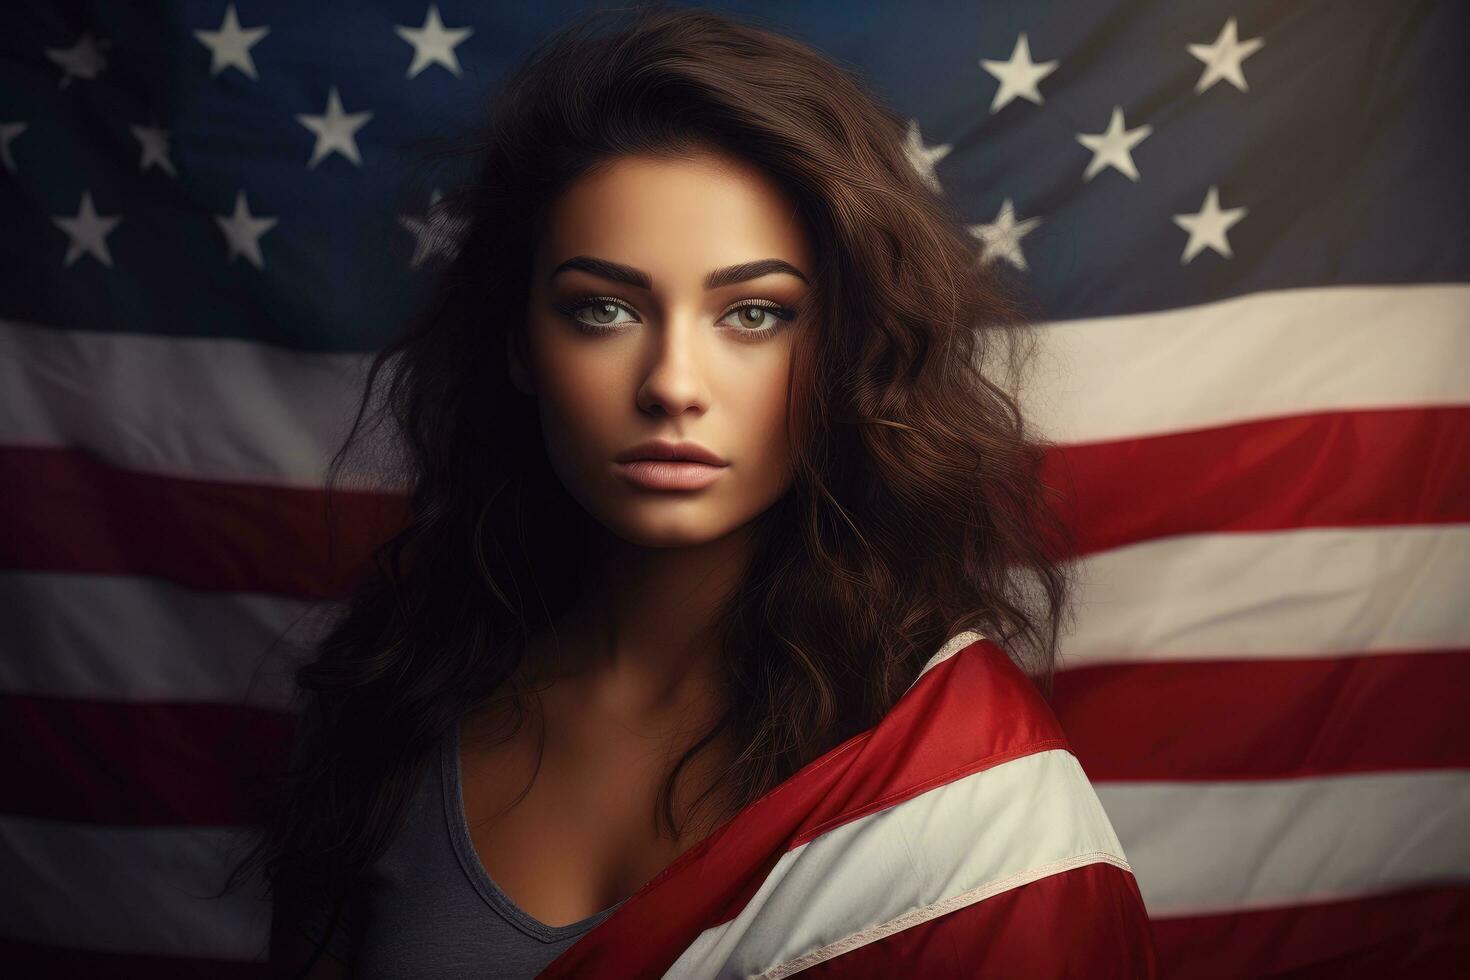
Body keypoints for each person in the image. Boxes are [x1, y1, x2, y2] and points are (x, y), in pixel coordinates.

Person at [222, 4, 1157, 977]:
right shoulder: (395, 702)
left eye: (753, 313)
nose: (672, 381)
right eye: (605, 308)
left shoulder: (967, 790)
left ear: (845, 352)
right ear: (518, 343)